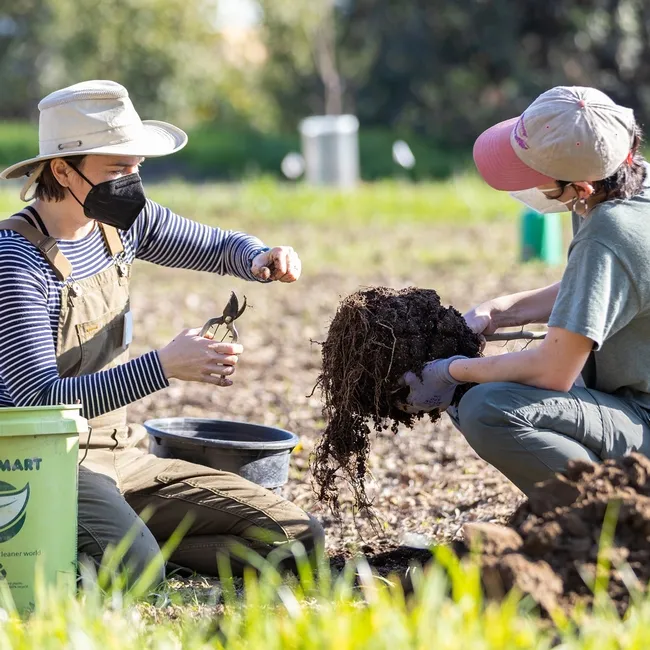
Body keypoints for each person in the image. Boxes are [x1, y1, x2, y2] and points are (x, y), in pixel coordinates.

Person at [0, 80, 323, 584]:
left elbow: (212, 245)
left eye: (136, 168)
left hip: (119, 452)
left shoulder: (122, 224)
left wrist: (259, 256)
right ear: (62, 169)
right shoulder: (17, 261)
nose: (132, 182)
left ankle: (126, 543)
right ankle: (114, 550)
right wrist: (162, 368)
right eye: (117, 169)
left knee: (297, 536)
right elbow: (33, 402)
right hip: (44, 464)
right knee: (136, 572)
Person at [400, 86, 650, 495]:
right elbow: (603, 288)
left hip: (644, 417)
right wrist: (502, 310)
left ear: (581, 187)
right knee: (500, 379)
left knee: (488, 408)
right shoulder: (629, 187)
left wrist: (451, 370)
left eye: (540, 181)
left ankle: (615, 517)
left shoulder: (607, 234)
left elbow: (554, 371)